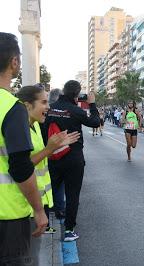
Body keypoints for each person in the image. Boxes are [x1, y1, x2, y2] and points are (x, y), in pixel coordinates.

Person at [0, 32, 47, 266]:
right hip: (8, 218)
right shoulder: (11, 107)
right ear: (14, 62)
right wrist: (38, 209)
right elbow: (19, 166)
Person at [17, 85, 80, 233]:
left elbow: (42, 157)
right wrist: (49, 148)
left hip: (37, 201)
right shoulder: (19, 129)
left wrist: (57, 146)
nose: (49, 106)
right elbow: (23, 165)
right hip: (25, 204)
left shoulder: (36, 125)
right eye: (44, 102)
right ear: (27, 105)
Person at [45, 80, 100, 242]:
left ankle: (46, 225)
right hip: (73, 159)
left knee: (49, 191)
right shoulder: (76, 111)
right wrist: (92, 104)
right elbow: (96, 122)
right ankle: (69, 231)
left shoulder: (50, 109)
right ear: (77, 95)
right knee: (72, 194)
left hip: (52, 156)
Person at [47, 88, 66, 219]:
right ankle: (59, 208)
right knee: (59, 182)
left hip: (46, 153)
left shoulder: (45, 113)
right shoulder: (64, 113)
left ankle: (52, 206)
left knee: (51, 182)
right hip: (59, 152)